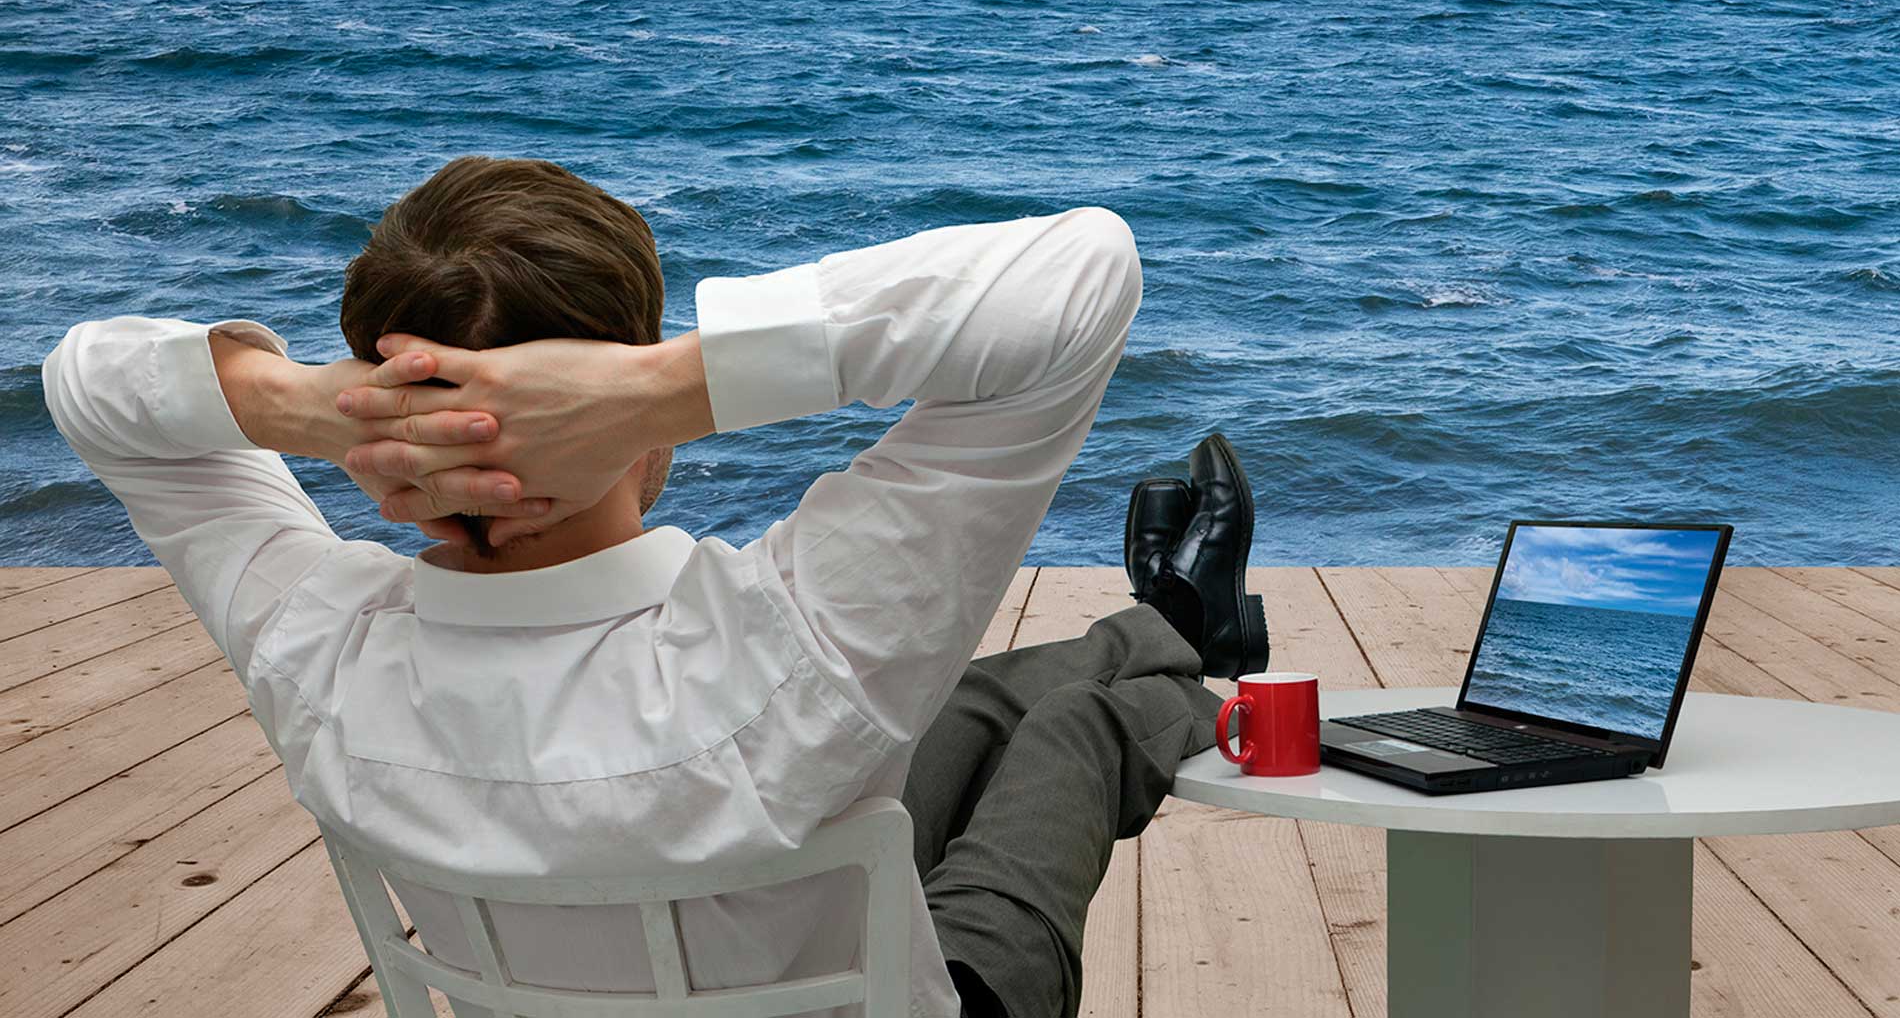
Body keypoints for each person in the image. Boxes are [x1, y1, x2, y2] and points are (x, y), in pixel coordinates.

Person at [42, 156, 1269, 1018]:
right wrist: (666, 386)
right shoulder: (790, 644)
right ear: (618, 397)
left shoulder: (314, 647)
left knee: (977, 702)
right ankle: (1176, 646)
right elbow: (1082, 272)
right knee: (1073, 727)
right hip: (939, 992)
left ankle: (1161, 626)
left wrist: (317, 410)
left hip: (765, 816)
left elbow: (90, 382)